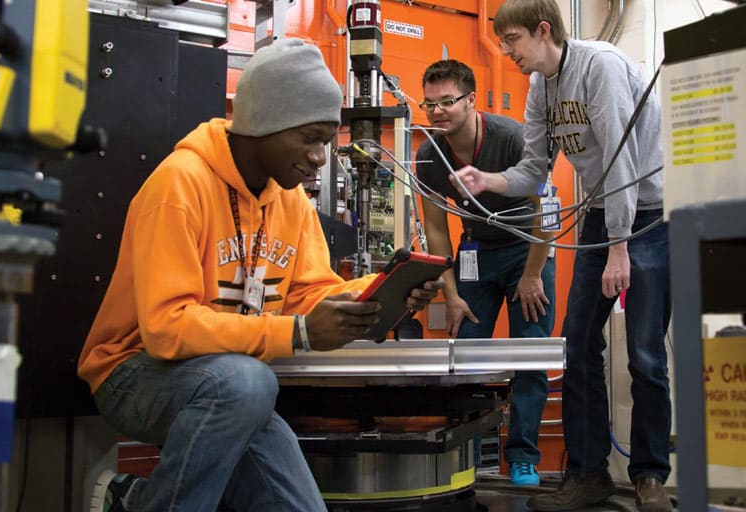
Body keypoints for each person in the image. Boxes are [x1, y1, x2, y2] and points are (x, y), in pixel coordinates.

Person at [78, 38, 442, 512]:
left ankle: (138, 501)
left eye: (326, 143)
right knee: (248, 384)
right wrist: (298, 333)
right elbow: (166, 329)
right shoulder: (179, 184)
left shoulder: (289, 200)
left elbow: (310, 292)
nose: (318, 157)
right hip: (134, 370)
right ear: (265, 122)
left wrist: (383, 293)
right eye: (309, 138)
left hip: (231, 386)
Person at [450, 1, 672, 511]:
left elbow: (621, 161)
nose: (506, 53)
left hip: (649, 216)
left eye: (512, 41)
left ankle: (650, 477)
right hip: (602, 214)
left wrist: (619, 245)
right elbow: (533, 168)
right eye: (502, 43)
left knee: (644, 354)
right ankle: (588, 471)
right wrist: (488, 180)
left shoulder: (603, 68)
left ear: (542, 30)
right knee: (576, 345)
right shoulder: (540, 88)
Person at [415, 59, 555, 487]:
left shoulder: (512, 139)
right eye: (429, 104)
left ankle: (524, 457)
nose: (437, 112)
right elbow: (437, 228)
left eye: (448, 102)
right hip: (475, 251)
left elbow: (546, 212)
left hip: (526, 250)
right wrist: (451, 294)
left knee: (530, 353)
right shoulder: (429, 156)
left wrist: (532, 275)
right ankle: (466, 458)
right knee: (465, 357)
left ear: (471, 100)